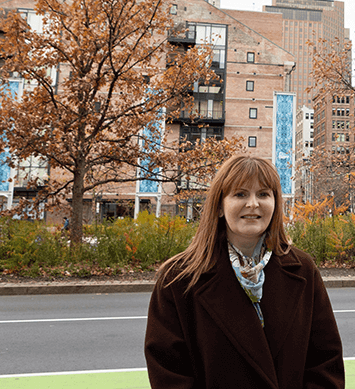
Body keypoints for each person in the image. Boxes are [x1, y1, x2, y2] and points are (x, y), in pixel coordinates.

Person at [144, 155, 344, 389]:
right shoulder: (179, 278)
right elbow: (169, 373)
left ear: (276, 203)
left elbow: (325, 362)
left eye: (263, 194)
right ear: (219, 206)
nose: (253, 204)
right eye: (240, 194)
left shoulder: (303, 270)